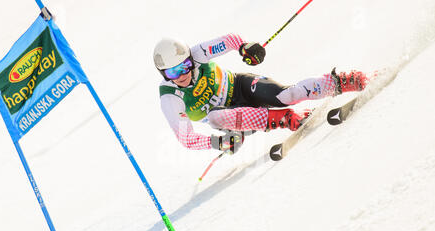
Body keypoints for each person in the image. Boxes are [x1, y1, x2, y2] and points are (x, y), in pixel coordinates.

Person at [154, 34, 368, 154]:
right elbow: (186, 138)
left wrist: (244, 47)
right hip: (233, 118)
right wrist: (217, 142)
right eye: (173, 72)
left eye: (186, 65)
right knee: (215, 116)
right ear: (163, 74)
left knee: (288, 95)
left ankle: (343, 81)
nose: (183, 74)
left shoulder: (198, 54)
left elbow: (228, 41)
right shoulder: (170, 98)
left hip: (240, 86)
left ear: (191, 58)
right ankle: (287, 118)